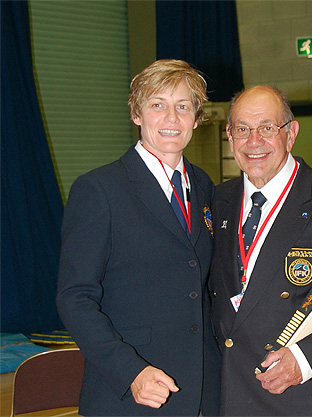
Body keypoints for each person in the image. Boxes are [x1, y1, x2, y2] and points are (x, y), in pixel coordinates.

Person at [56, 59, 220, 416]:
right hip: (133, 395)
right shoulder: (100, 189)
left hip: (204, 391)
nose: (171, 118)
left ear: (196, 117)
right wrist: (131, 371)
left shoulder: (204, 186)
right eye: (157, 105)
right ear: (137, 114)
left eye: (183, 106)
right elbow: (75, 298)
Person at [208, 85, 312, 416]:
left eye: (267, 128)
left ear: (291, 133)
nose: (253, 141)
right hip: (231, 394)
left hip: (304, 395)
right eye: (242, 129)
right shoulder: (217, 201)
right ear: (230, 136)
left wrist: (303, 360)